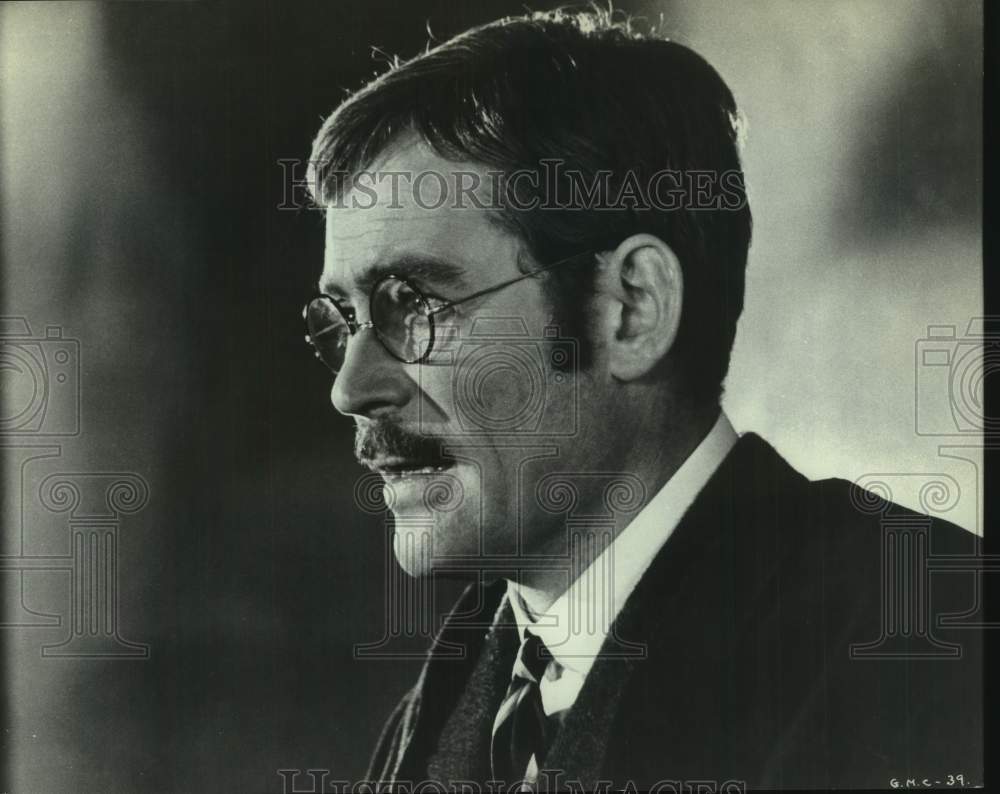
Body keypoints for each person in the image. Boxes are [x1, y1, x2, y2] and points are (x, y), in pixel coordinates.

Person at [302, 8, 983, 791]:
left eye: (413, 304)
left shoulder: (922, 644)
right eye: (347, 320)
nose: (351, 388)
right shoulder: (446, 709)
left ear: (631, 309)